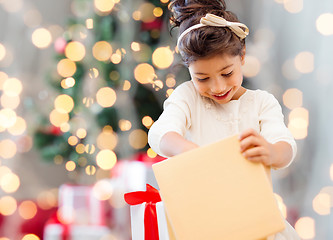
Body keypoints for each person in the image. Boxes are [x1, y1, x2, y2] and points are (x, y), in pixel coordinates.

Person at [148, 0, 299, 239]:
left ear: (242, 56)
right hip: (204, 224)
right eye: (202, 78)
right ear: (188, 70)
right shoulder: (187, 98)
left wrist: (271, 151)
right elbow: (159, 134)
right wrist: (196, 155)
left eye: (226, 73)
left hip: (255, 223)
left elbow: (285, 147)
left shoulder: (261, 103)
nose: (217, 87)